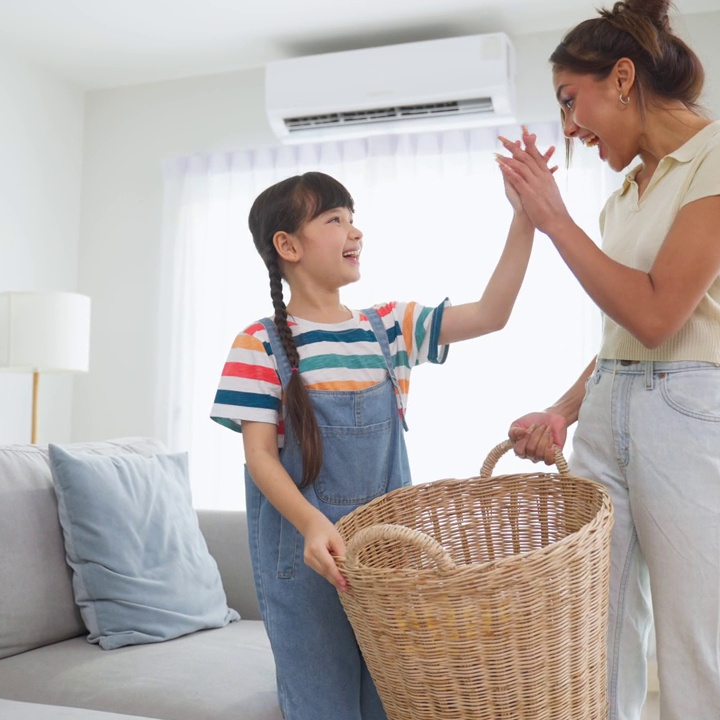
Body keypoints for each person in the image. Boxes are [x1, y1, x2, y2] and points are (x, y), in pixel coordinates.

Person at [494, 1, 720, 718]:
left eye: (569, 100)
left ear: (622, 78)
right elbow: (622, 339)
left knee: (696, 651)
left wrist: (554, 219)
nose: (567, 128)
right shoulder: (624, 197)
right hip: (609, 408)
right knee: (595, 642)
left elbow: (656, 315)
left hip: (697, 417)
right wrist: (562, 410)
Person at [209, 167, 542, 719]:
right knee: (323, 708)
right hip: (306, 560)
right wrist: (314, 523)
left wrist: (525, 219)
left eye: (353, 218)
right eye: (334, 219)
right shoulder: (257, 344)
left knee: (399, 703)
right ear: (287, 245)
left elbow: (491, 314)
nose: (354, 231)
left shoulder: (388, 327)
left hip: (391, 562)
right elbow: (260, 458)